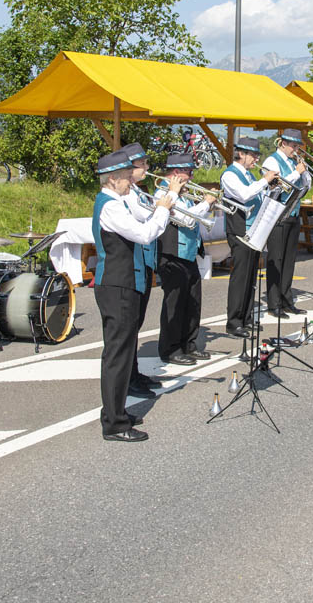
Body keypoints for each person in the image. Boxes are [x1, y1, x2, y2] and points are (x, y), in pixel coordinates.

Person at [91, 150, 182, 442]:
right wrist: (164, 207)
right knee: (117, 355)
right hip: (116, 284)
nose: (131, 182)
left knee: (123, 350)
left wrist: (165, 205)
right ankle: (114, 423)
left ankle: (117, 412)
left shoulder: (116, 201)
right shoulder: (110, 206)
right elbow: (144, 234)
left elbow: (144, 220)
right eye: (126, 178)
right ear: (113, 179)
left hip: (122, 282)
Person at [117, 142, 171, 397]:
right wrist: (168, 199)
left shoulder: (137, 190)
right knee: (130, 325)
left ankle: (134, 372)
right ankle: (128, 379)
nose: (147, 168)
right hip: (133, 264)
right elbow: (145, 216)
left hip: (145, 262)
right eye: (142, 164)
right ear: (129, 168)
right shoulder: (127, 194)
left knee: (136, 323)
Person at [154, 153, 216, 365]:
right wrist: (206, 203)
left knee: (192, 301)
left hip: (188, 253)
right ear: (175, 173)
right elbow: (185, 219)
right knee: (175, 303)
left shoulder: (184, 192)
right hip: (171, 254)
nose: (191, 177)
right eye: (188, 172)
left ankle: (189, 343)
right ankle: (170, 349)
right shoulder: (163, 193)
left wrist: (205, 205)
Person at [221, 137, 278, 338]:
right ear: (241, 154)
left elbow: (258, 197)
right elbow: (244, 195)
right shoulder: (230, 175)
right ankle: (234, 322)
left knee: (250, 277)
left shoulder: (249, 175)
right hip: (239, 230)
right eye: (253, 155)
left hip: (253, 230)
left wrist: (271, 189)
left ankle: (246, 317)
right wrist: (265, 181)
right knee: (240, 277)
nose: (256, 159)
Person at [262, 129, 311, 317]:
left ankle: (286, 299)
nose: (296, 150)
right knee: (276, 259)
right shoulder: (271, 161)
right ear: (283, 143)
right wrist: (296, 173)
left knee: (289, 260)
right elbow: (279, 186)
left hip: (293, 214)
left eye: (298, 146)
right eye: (293, 146)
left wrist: (304, 173)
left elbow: (305, 186)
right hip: (277, 216)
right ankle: (274, 304)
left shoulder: (293, 162)